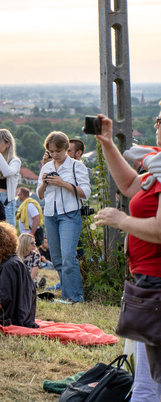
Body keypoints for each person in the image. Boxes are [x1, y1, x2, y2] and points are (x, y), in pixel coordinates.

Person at [92, 107, 161, 398]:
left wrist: (121, 221)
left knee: (153, 380)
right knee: (147, 379)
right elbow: (131, 185)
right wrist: (107, 144)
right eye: (159, 120)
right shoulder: (157, 166)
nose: (159, 125)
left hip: (157, 284)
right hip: (146, 282)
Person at [36, 130, 90, 303]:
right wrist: (44, 184)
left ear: (66, 148)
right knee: (58, 259)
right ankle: (67, 294)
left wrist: (63, 184)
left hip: (69, 214)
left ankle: (75, 297)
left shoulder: (76, 166)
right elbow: (40, 195)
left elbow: (85, 193)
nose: (54, 155)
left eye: (57, 151)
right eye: (51, 151)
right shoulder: (47, 167)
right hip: (51, 215)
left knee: (68, 256)